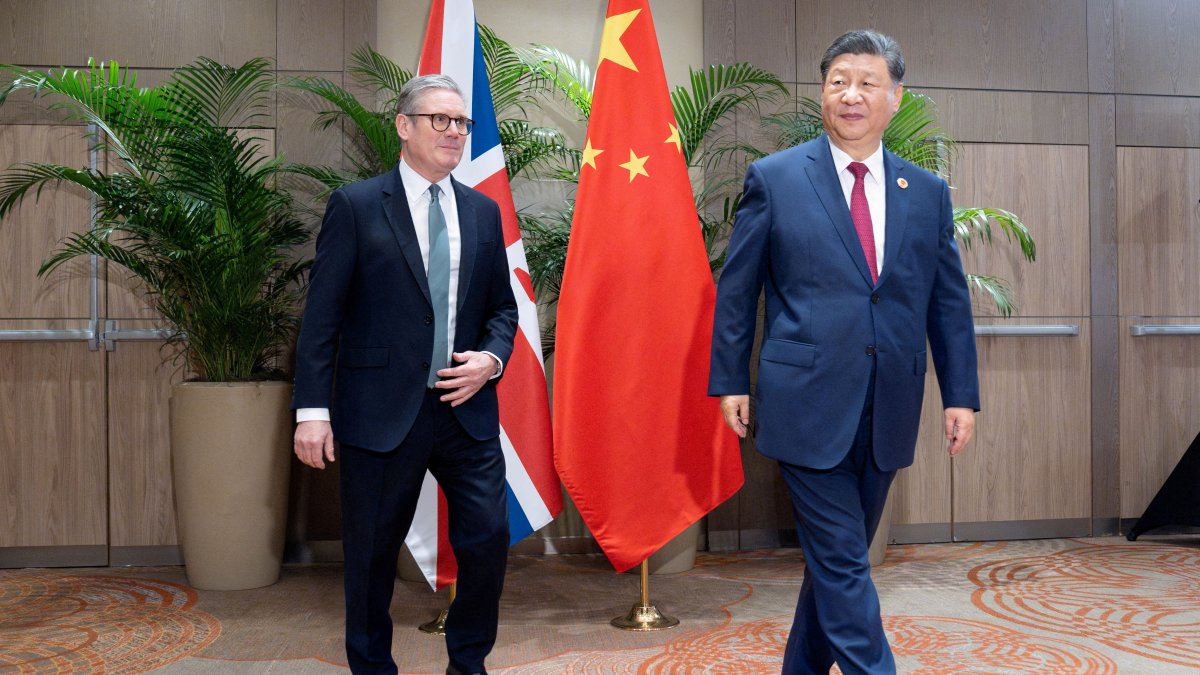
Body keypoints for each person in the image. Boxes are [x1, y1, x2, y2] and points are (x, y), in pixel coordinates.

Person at [708, 30, 980, 674]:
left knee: (838, 562)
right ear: (823, 93)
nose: (851, 95)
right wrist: (729, 381)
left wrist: (960, 395)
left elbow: (946, 302)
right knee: (842, 563)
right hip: (804, 403)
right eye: (838, 82)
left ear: (895, 96)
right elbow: (737, 290)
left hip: (889, 401)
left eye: (867, 82)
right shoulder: (775, 179)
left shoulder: (927, 192)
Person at [291, 74, 517, 675]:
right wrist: (312, 412)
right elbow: (321, 319)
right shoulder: (357, 205)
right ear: (404, 125)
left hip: (464, 411)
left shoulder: (484, 212)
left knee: (489, 541)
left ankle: (468, 664)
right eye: (440, 120)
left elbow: (503, 308)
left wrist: (491, 360)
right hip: (379, 411)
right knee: (369, 558)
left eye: (461, 123)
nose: (454, 133)